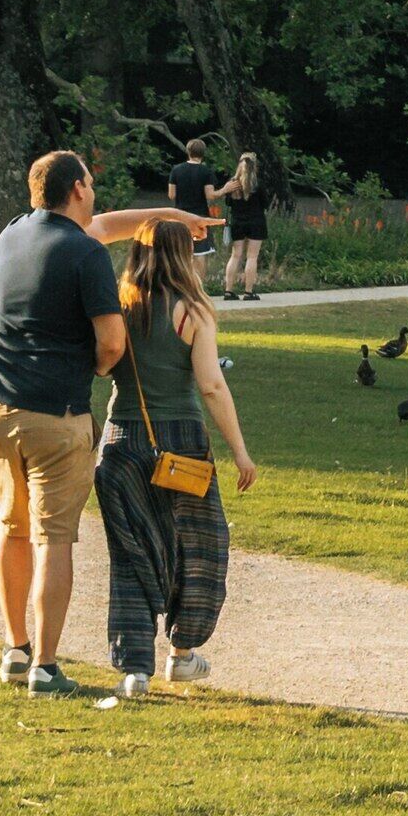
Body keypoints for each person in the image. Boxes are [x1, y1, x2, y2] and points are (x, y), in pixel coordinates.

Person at [0, 153, 197, 696]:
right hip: (54, 415)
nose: (95, 195)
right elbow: (113, 342)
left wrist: (168, 215)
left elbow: (106, 223)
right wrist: (92, 366)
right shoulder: (87, 254)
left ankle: (15, 649)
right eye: (91, 185)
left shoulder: (14, 234)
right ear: (77, 189)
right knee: (55, 538)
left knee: (12, 526)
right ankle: (47, 668)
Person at [96, 216, 253, 700]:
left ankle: (135, 669)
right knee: (199, 547)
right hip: (181, 442)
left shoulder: (117, 306)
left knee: (132, 552)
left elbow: (102, 365)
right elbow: (210, 384)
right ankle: (182, 654)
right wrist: (240, 452)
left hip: (122, 440)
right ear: (185, 257)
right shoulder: (194, 312)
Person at [215, 151, 273, 301]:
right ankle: (248, 292)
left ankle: (228, 290)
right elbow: (265, 204)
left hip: (237, 222)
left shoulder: (232, 184)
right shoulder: (257, 185)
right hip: (256, 222)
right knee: (252, 257)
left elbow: (228, 203)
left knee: (235, 256)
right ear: (254, 167)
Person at [165, 138, 219, 255]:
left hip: (180, 215)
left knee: (181, 251)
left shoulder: (176, 170)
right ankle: (199, 274)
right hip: (200, 215)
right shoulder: (206, 171)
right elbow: (210, 195)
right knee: (200, 253)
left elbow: (171, 195)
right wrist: (225, 190)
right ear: (203, 153)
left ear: (188, 151)